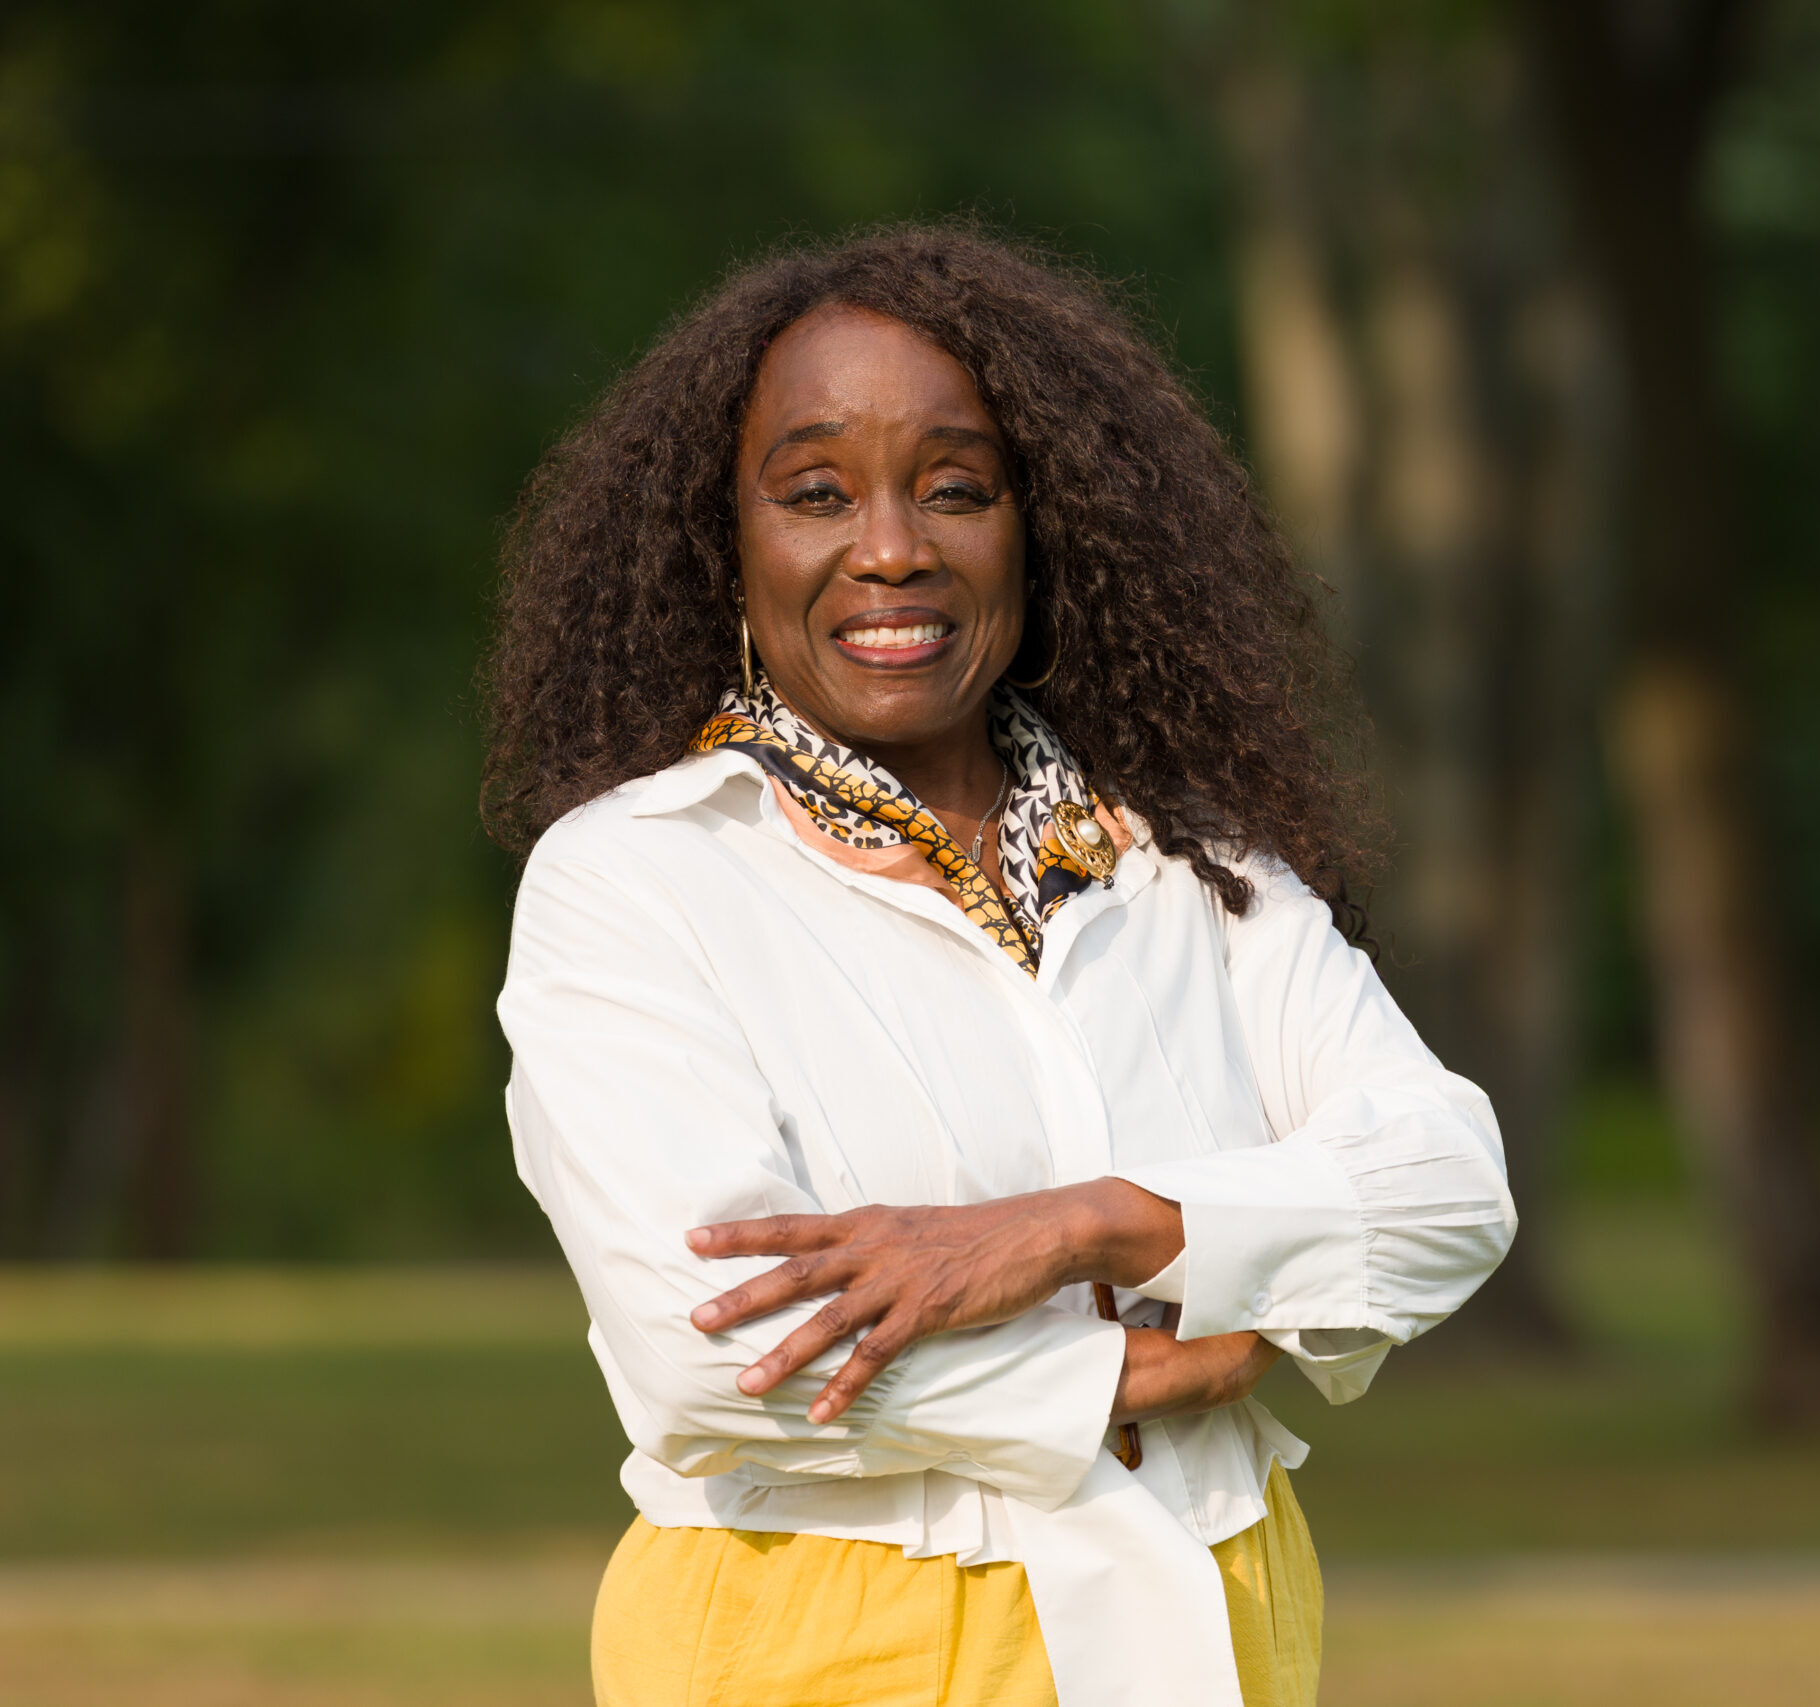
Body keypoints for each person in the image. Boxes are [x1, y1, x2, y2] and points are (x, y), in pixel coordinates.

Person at [480, 225, 1516, 1707]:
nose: (892, 545)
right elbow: (710, 1349)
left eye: (956, 489)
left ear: (1045, 527)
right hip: (829, 1641)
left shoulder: (1187, 861)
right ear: (734, 543)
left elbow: (1447, 1189)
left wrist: (1091, 1227)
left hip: (1219, 1612)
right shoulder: (638, 877)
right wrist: (1143, 1369)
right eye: (817, 493)